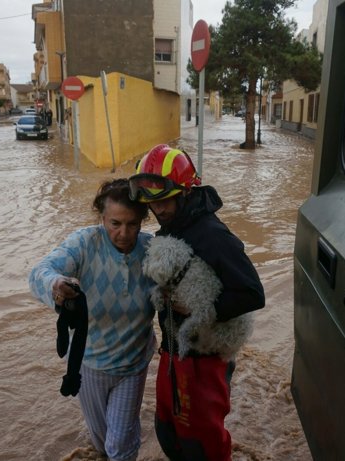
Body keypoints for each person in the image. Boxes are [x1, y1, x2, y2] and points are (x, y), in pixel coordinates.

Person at [128, 144, 266, 461]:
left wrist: (200, 310)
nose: (157, 210)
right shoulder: (172, 227)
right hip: (173, 351)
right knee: (167, 432)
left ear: (185, 192)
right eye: (151, 203)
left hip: (205, 360)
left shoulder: (213, 235)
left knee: (201, 443)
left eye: (164, 201)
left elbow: (253, 294)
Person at [28, 178, 155, 461]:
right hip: (90, 364)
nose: (123, 233)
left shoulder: (152, 251)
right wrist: (56, 284)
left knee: (121, 445)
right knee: (101, 441)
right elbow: (40, 270)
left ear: (143, 221)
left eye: (132, 224)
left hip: (132, 364)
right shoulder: (85, 243)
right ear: (102, 218)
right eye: (115, 223)